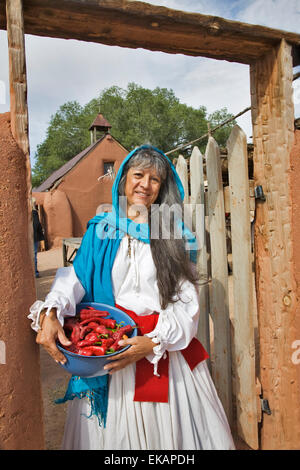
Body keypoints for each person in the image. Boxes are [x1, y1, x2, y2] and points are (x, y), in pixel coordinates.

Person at [28, 145, 235, 450]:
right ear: (124, 179)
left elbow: (186, 299)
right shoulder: (102, 229)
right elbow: (76, 278)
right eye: (138, 175)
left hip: (160, 351)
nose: (145, 185)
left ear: (162, 188)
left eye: (155, 179)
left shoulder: (172, 233)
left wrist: (152, 342)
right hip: (113, 348)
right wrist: (51, 310)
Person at [32, 198, 45, 278]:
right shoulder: (34, 213)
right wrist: (41, 234)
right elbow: (37, 225)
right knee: (34, 255)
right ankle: (35, 273)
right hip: (33, 237)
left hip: (30, 237)